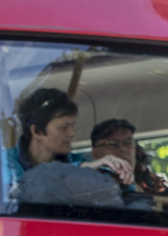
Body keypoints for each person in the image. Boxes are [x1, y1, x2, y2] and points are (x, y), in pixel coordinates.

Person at [9, 88, 143, 210]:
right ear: (37, 131)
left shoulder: (79, 162)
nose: (72, 133)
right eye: (63, 127)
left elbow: (119, 198)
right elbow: (23, 193)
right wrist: (80, 172)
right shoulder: (2, 165)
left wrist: (119, 179)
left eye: (72, 126)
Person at [85, 118, 168, 196]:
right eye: (113, 144)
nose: (123, 149)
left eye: (128, 143)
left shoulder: (150, 197)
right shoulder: (85, 190)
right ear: (95, 153)